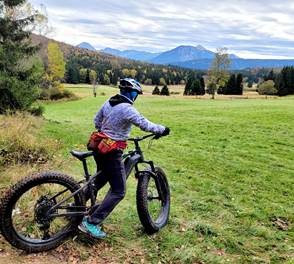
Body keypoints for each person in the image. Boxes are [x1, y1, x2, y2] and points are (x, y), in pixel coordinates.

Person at [78, 78, 170, 238]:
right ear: (133, 93)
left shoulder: (109, 102)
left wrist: (107, 131)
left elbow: (96, 121)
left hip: (99, 146)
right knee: (119, 190)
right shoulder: (128, 109)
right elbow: (145, 124)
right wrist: (162, 129)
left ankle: (76, 206)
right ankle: (91, 222)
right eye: (137, 94)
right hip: (112, 151)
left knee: (99, 180)